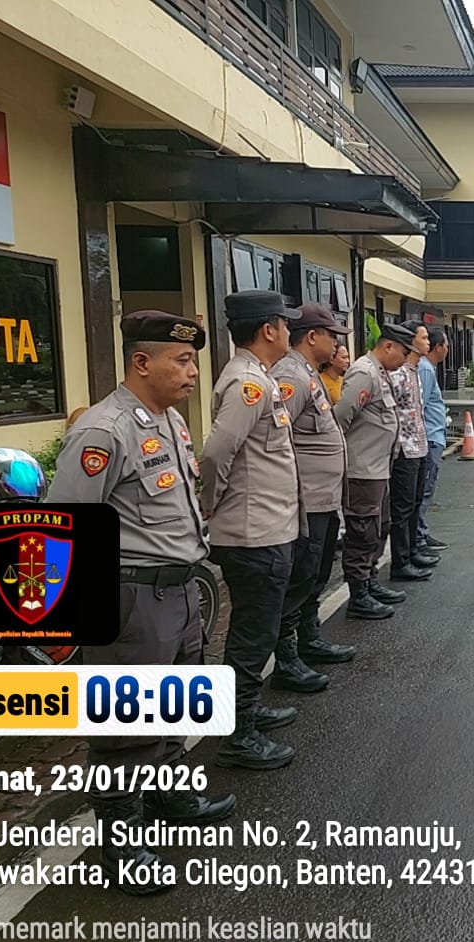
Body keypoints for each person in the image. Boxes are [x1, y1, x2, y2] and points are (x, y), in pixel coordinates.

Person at [48, 310, 235, 894]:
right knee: (126, 727)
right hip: (130, 598)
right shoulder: (103, 432)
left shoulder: (168, 421)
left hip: (179, 589)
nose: (192, 373)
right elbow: (63, 527)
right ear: (141, 362)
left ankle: (170, 799)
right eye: (182, 361)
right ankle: (122, 846)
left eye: (192, 362)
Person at [199, 290, 301, 771]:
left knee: (255, 631)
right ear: (268, 329)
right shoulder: (247, 384)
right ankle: (237, 734)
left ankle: (247, 709)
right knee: (251, 637)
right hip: (252, 532)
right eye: (285, 324)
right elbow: (216, 453)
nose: (289, 332)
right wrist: (211, 507)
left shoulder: (258, 377)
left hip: (267, 528)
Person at [270, 302, 355, 690]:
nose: (337, 344)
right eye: (332, 336)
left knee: (315, 574)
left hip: (324, 498)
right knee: (300, 576)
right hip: (307, 500)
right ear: (312, 336)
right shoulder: (290, 376)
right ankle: (286, 659)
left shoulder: (309, 373)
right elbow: (277, 438)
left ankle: (309, 639)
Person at [335, 321, 412, 618]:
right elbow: (341, 418)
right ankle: (358, 595)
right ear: (388, 346)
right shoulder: (364, 373)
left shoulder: (380, 372)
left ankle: (369, 581)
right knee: (362, 532)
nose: (405, 360)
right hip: (362, 469)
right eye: (403, 352)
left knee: (379, 527)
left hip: (379, 468)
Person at [388, 322, 438, 581]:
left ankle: (412, 551)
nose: (428, 342)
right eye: (423, 337)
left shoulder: (416, 371)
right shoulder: (397, 374)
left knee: (416, 502)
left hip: (419, 445)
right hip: (403, 450)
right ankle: (400, 561)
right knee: (402, 508)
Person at [417, 326, 451, 555]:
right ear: (438, 347)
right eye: (446, 345)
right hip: (429, 437)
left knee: (426, 490)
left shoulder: (428, 368)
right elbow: (420, 406)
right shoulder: (425, 370)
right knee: (424, 491)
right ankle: (418, 538)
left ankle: (421, 532)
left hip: (434, 435)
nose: (447, 350)